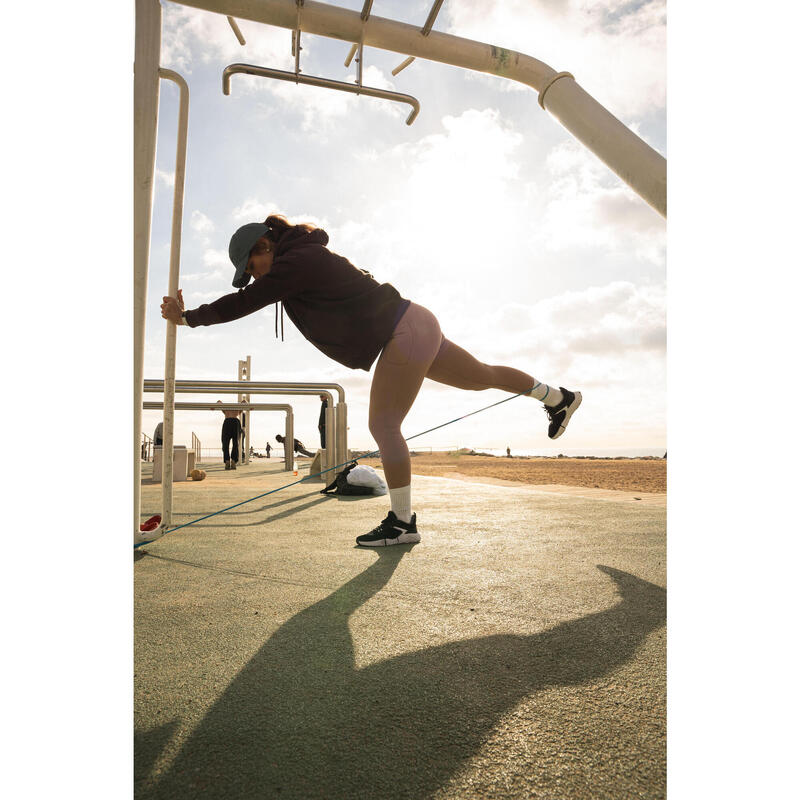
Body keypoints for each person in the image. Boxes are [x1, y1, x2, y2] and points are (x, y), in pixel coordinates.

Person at [161, 214, 581, 547]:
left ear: (264, 246)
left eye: (251, 267)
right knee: (481, 377)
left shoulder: (296, 261)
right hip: (414, 324)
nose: (254, 278)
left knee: (384, 425)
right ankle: (558, 397)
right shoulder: (295, 262)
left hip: (405, 330)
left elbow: (245, 302)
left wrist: (189, 317)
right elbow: (254, 294)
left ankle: (402, 523)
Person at [215, 400, 242, 470]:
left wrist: (249, 406)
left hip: (234, 422)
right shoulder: (226, 408)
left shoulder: (237, 408)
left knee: (235, 443)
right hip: (228, 422)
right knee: (225, 443)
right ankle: (227, 461)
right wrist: (214, 406)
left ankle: (233, 461)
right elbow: (219, 401)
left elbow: (244, 401)